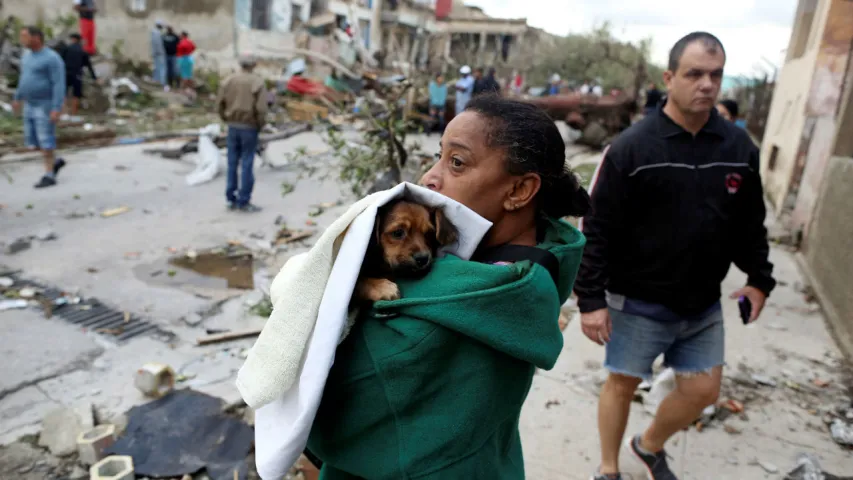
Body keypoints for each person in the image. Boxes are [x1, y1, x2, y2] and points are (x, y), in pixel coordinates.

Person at [306, 94, 591, 479]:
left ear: (519, 191)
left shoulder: (424, 310)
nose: (429, 177)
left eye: (456, 162)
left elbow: (327, 429)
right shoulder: (538, 263)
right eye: (439, 156)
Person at [574, 31, 776, 480]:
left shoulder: (739, 150)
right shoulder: (632, 148)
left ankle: (647, 447)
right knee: (622, 385)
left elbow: (749, 223)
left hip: (702, 303)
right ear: (669, 78)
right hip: (638, 301)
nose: (706, 84)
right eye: (694, 74)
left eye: (715, 75)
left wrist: (759, 278)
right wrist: (589, 300)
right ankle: (608, 470)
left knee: (704, 389)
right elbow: (596, 227)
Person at [12, 26, 67, 189]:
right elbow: (24, 78)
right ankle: (55, 162)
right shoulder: (26, 56)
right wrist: (17, 97)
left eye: (24, 36)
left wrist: (56, 108)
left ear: (36, 38)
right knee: (33, 142)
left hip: (45, 105)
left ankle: (49, 175)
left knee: (46, 140)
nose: (21, 40)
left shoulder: (52, 58)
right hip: (29, 104)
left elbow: (58, 84)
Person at [217, 55, 268, 213]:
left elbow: (219, 103)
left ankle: (230, 198)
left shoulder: (228, 80)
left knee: (232, 162)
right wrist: (260, 125)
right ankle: (244, 200)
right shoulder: (257, 82)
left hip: (233, 125)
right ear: (254, 64)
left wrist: (226, 118)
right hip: (249, 127)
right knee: (247, 162)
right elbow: (261, 109)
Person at [62, 33, 97, 116]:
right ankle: (73, 114)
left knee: (64, 93)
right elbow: (89, 65)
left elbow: (60, 61)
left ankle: (64, 113)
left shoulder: (66, 49)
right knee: (76, 95)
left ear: (73, 39)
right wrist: (94, 77)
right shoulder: (82, 51)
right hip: (77, 75)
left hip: (66, 74)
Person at [150, 21, 167, 87]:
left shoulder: (154, 33)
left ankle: (156, 81)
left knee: (157, 68)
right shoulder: (157, 33)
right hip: (159, 54)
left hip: (156, 54)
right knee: (161, 69)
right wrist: (161, 52)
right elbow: (158, 44)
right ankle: (162, 83)